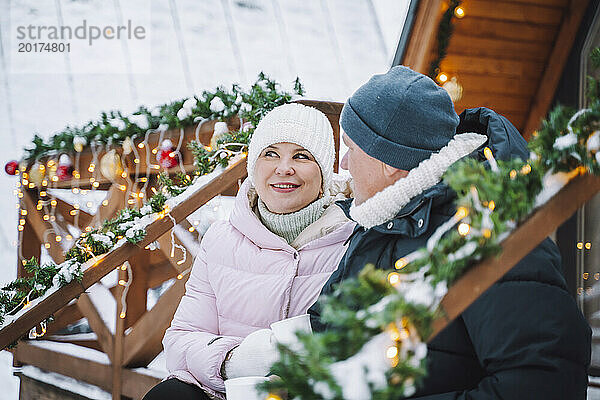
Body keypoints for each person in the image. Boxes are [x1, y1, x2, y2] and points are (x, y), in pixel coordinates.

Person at [308, 66, 591, 399]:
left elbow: (544, 384)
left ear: (389, 161)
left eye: (351, 149)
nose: (343, 163)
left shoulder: (485, 232)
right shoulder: (384, 220)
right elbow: (326, 322)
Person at [142, 103, 355, 400]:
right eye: (270, 154)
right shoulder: (221, 239)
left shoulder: (352, 239)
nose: (284, 168)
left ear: (324, 175)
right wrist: (233, 362)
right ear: (254, 167)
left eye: (301, 156)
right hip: (227, 390)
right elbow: (182, 339)